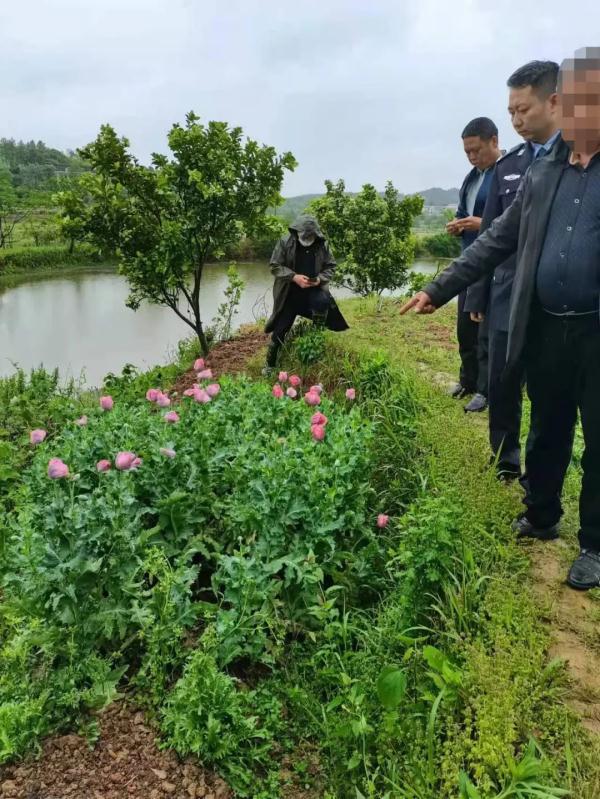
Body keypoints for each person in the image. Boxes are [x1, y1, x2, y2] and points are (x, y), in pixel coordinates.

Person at [400, 47, 600, 590]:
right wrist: (439, 289)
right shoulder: (543, 172)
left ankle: (596, 548)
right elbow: (496, 239)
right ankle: (541, 515)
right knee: (548, 427)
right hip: (548, 324)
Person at [465, 60, 560, 480]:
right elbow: (490, 240)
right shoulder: (508, 168)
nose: (517, 120)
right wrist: (476, 296)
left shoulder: (577, 162)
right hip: (504, 291)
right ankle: (505, 458)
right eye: (511, 113)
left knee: (546, 391)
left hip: (553, 299)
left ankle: (542, 480)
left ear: (555, 101)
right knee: (502, 383)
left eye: (523, 110)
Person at [446, 117, 501, 412]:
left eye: (476, 150)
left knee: (485, 330)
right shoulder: (472, 177)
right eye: (467, 152)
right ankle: (467, 379)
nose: (471, 157)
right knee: (464, 328)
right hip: (470, 260)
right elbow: (463, 210)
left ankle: (485, 389)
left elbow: (512, 220)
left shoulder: (506, 174)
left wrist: (481, 224)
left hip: (494, 264)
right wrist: (459, 224)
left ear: (494, 141)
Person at [264, 215, 348, 370]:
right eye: (305, 235)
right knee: (280, 330)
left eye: (311, 235)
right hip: (289, 292)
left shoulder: (323, 245)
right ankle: (269, 365)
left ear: (316, 234)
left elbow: (331, 267)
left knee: (323, 303)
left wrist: (319, 279)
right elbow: (274, 266)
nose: (308, 238)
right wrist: (294, 277)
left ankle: (316, 338)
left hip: (313, 290)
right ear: (297, 232)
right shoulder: (285, 242)